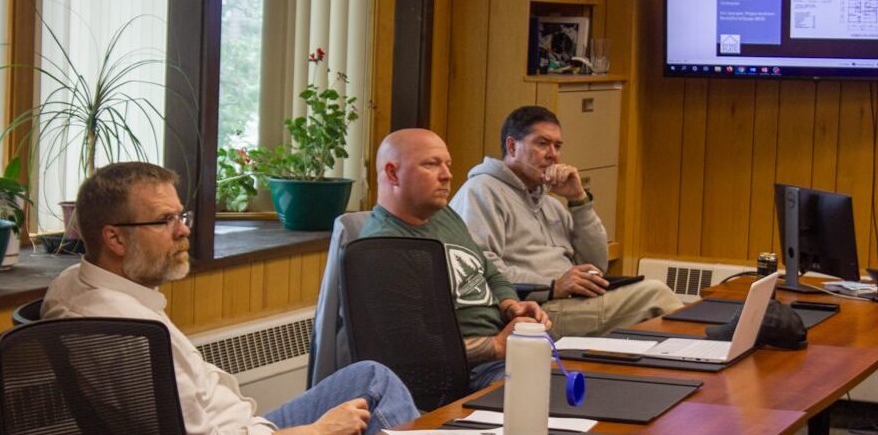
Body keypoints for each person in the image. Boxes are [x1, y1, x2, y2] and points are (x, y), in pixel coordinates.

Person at [42, 162, 418, 435]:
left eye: (180, 215)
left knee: (371, 376)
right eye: (164, 220)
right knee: (376, 390)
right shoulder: (130, 335)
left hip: (246, 424)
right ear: (115, 239)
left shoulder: (73, 283)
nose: (183, 229)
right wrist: (317, 431)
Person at [449, 106, 683, 338]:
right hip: (534, 312)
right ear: (512, 146)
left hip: (573, 304)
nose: (553, 154)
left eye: (557, 146)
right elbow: (477, 271)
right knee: (655, 296)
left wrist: (578, 201)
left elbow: (596, 264)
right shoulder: (482, 191)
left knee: (654, 317)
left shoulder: (551, 204)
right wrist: (553, 285)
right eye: (542, 144)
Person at [358, 129, 552, 392]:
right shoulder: (383, 249)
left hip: (501, 354)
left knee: (584, 382)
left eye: (447, 164)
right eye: (431, 164)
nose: (447, 175)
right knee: (547, 395)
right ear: (393, 173)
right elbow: (413, 354)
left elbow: (489, 272)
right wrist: (496, 345)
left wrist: (511, 306)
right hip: (458, 377)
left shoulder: (443, 215)